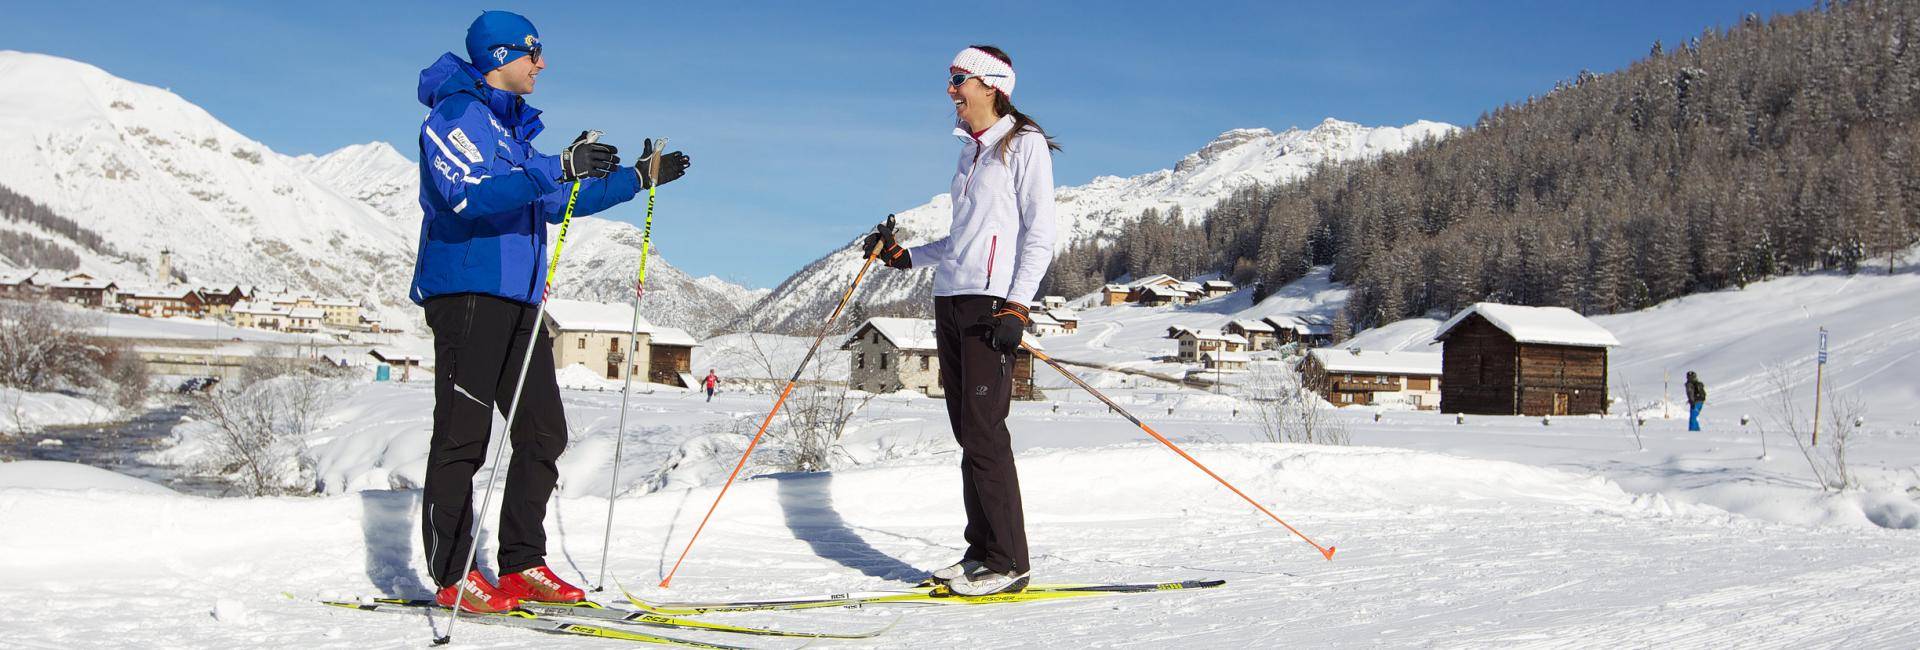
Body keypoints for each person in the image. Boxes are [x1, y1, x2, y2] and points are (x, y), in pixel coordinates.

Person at [410, 10, 690, 613]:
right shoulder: (455, 116)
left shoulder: (513, 134)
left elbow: (558, 197)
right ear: (500, 55)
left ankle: (520, 564)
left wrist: (635, 178)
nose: (542, 63)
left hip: (520, 302)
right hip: (467, 294)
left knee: (543, 431)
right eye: (533, 53)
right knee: (463, 438)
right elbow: (468, 194)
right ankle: (452, 574)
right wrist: (554, 165)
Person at [865, 44, 1058, 596]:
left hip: (989, 303)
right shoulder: (969, 153)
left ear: (992, 85)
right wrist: (908, 258)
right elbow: (964, 239)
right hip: (950, 295)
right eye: (951, 79)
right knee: (966, 431)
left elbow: (1039, 235)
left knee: (985, 429)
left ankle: (1009, 560)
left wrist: (1018, 304)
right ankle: (981, 551)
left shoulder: (1024, 146)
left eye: (959, 80)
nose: (950, 90)